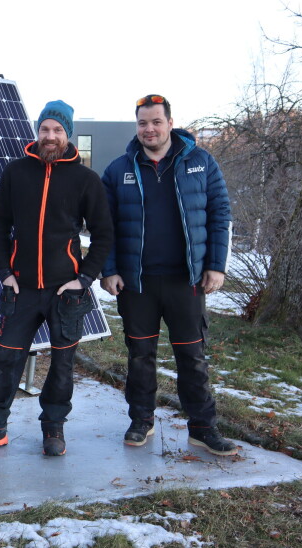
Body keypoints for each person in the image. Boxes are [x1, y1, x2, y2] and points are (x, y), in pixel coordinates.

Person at [0, 100, 114, 457]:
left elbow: (104, 234)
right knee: (4, 360)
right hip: (21, 288)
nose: (50, 136)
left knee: (62, 366)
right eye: (45, 129)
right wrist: (4, 272)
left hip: (65, 291)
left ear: (67, 134)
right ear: (37, 131)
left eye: (57, 130)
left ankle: (53, 429)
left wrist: (84, 278)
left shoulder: (85, 180)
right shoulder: (16, 172)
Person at [100, 94, 237, 456]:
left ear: (170, 124)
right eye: (143, 123)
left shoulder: (200, 162)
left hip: (186, 280)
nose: (150, 129)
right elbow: (104, 225)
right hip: (137, 282)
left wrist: (216, 265)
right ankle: (141, 420)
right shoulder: (118, 170)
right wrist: (109, 269)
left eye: (156, 122)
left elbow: (220, 214)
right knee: (140, 355)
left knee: (192, 356)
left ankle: (203, 427)